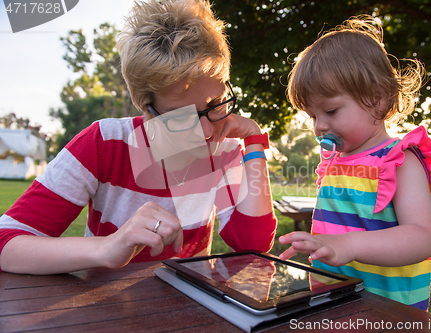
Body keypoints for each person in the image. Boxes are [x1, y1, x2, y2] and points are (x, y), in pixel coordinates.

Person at [0, 0, 277, 275]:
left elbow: (253, 244)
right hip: (100, 308)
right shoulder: (104, 143)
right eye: (181, 116)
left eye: (216, 102)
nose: (205, 132)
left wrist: (253, 139)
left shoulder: (224, 147)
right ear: (146, 106)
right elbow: (6, 242)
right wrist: (107, 248)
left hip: (189, 307)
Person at [278, 15, 431, 311]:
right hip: (336, 302)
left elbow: (422, 237)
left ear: (377, 99)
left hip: (388, 311)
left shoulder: (399, 160)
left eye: (330, 110)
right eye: (313, 115)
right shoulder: (333, 161)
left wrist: (349, 245)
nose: (318, 126)